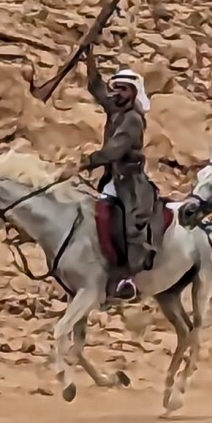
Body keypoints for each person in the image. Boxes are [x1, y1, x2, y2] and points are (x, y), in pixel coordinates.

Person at [81, 65, 158, 299]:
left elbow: (115, 149)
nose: (117, 93)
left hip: (130, 183)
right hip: (112, 178)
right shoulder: (116, 108)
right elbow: (98, 90)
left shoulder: (133, 119)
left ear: (134, 92)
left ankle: (128, 276)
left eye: (123, 89)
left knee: (129, 226)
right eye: (116, 88)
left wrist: (87, 161)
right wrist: (89, 59)